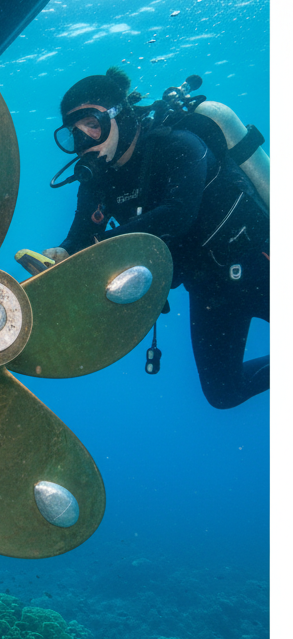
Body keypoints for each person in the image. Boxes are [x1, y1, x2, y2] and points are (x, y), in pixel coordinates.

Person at [43, 66, 269, 409]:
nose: (85, 141)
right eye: (73, 134)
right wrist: (60, 255)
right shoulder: (98, 178)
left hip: (259, 264)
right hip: (209, 288)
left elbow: (177, 214)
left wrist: (97, 249)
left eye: (93, 124)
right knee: (223, 391)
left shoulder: (176, 144)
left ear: (120, 115)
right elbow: (80, 237)